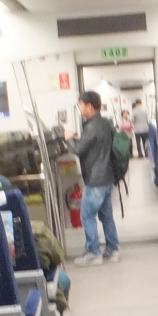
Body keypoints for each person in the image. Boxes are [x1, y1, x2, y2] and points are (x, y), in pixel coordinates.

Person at [68, 90, 120, 266]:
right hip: (107, 177)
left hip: (95, 179)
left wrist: (68, 138)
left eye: (81, 105)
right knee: (106, 216)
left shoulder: (91, 126)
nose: (80, 108)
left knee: (87, 215)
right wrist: (78, 138)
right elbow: (94, 143)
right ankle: (113, 250)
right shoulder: (105, 123)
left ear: (89, 106)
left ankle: (93, 253)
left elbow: (78, 150)